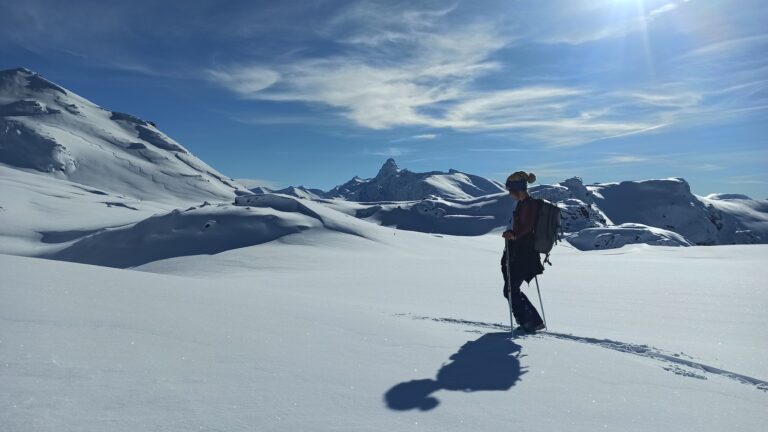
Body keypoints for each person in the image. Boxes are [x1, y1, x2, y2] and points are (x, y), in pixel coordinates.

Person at [501, 171, 545, 333]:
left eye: (510, 190)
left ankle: (529, 323)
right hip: (521, 252)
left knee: (510, 290)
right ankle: (531, 321)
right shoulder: (524, 204)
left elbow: (526, 228)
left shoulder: (528, 204)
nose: (509, 194)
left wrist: (512, 235)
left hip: (522, 254)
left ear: (517, 189)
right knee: (511, 290)